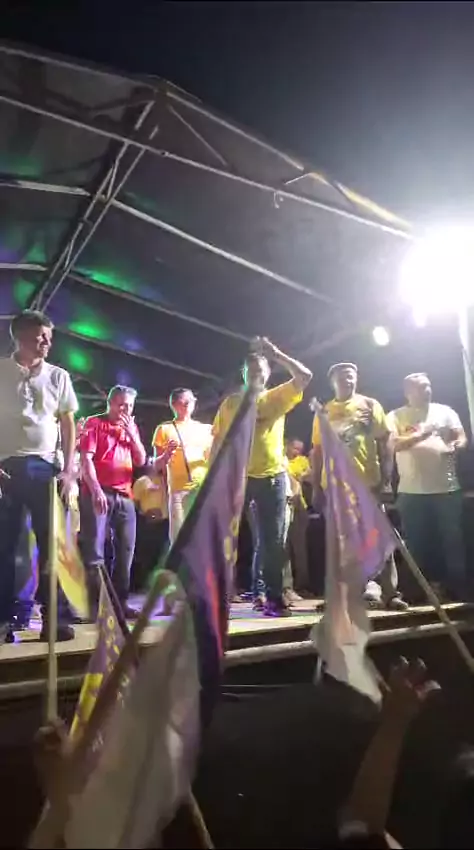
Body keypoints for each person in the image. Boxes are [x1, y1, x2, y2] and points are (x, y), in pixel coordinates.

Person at [212, 337, 312, 617]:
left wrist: (277, 354)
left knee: (273, 541)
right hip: (239, 479)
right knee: (228, 538)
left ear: (268, 374)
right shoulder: (231, 404)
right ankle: (220, 596)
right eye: (251, 370)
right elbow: (219, 442)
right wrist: (213, 478)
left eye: (261, 370)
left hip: (272, 478)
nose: (256, 374)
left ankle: (273, 598)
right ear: (244, 374)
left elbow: (305, 376)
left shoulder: (275, 397)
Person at [0, 310, 78, 643]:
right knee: (5, 546)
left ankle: (53, 620)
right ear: (19, 336)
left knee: (52, 546)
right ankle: (4, 621)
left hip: (46, 467)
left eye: (49, 336)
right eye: (40, 336)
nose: (46, 341)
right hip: (6, 467)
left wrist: (69, 470)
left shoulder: (58, 376)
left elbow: (68, 424)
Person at [311, 363, 407, 610]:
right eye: (343, 377)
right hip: (335, 486)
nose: (348, 380)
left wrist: (386, 477)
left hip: (367, 482)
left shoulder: (369, 405)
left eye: (352, 376)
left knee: (378, 537)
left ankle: (390, 593)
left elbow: (386, 439)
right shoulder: (324, 411)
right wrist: (316, 488)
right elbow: (318, 450)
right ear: (332, 381)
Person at [387, 372, 467, 600]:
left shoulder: (446, 412)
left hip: (447, 488)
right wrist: (423, 435)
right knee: (416, 544)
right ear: (408, 392)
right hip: (412, 491)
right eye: (421, 387)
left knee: (452, 541)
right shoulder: (396, 416)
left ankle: (458, 591)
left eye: (428, 386)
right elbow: (394, 445)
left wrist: (457, 445)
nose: (427, 390)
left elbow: (461, 437)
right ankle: (419, 592)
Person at [79, 385, 146, 617]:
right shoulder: (95, 423)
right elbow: (86, 460)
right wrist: (96, 490)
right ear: (110, 403)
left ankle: (121, 603)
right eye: (121, 404)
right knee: (95, 551)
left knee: (126, 550)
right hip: (99, 493)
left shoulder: (131, 427)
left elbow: (141, 460)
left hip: (125, 495)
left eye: (129, 406)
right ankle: (96, 606)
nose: (125, 410)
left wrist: (133, 436)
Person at [152, 388, 213, 543]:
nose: (187, 405)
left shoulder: (206, 429)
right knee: (179, 539)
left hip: (201, 490)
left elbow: (212, 457)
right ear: (174, 404)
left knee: (203, 538)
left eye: (190, 401)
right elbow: (156, 466)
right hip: (178, 491)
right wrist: (167, 454)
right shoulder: (164, 429)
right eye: (183, 402)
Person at [284, 437, 312, 599]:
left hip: (300, 508)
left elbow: (309, 474)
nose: (297, 452)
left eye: (300, 449)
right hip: (285, 505)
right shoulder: (281, 460)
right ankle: (286, 587)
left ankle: (303, 585)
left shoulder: (302, 460)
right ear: (287, 446)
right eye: (295, 448)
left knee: (300, 548)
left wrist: (302, 476)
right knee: (284, 548)